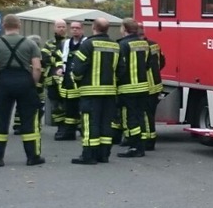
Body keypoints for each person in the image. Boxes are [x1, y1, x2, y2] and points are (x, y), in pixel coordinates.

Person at [0, 14, 44, 167]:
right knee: (29, 120)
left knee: (0, 120)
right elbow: (37, 67)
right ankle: (33, 157)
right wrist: (32, 83)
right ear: (19, 25)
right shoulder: (31, 44)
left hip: (4, 81)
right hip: (25, 81)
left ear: (4, 25)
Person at [71, 18, 119, 164]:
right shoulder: (115, 45)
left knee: (90, 122)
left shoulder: (87, 44)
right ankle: (104, 155)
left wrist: (77, 80)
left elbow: (78, 69)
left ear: (93, 27)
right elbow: (120, 69)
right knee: (106, 123)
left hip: (90, 92)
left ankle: (88, 156)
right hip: (110, 92)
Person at [116, 18, 151, 158]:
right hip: (143, 87)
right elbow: (147, 65)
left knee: (131, 118)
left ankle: (134, 146)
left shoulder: (123, 45)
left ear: (124, 28)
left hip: (128, 88)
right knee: (140, 117)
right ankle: (140, 145)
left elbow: (120, 68)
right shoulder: (144, 44)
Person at [139, 23, 165, 151]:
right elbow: (162, 62)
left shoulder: (140, 46)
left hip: (146, 86)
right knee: (150, 114)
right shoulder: (154, 44)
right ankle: (150, 139)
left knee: (145, 114)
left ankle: (148, 141)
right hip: (155, 84)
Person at [56, 21, 84, 141]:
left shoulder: (86, 43)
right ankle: (70, 131)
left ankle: (82, 129)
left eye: (77, 28)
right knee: (69, 107)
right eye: (72, 28)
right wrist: (59, 69)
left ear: (82, 29)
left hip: (81, 80)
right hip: (67, 80)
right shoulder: (66, 43)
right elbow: (59, 58)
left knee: (82, 108)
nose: (74, 30)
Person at [45, 20, 66, 139]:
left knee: (68, 105)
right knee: (55, 105)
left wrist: (56, 58)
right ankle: (60, 126)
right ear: (54, 28)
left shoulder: (69, 42)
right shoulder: (49, 43)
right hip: (52, 80)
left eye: (63, 26)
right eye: (59, 27)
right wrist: (59, 59)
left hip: (66, 80)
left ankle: (70, 128)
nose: (61, 29)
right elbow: (45, 58)